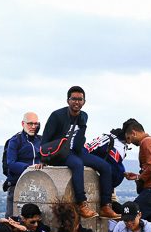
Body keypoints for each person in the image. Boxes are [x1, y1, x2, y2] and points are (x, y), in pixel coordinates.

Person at [42, 86, 119, 220]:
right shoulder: (57, 116)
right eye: (73, 99)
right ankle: (81, 204)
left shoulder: (84, 116)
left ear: (84, 101)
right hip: (59, 153)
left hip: (77, 150)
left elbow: (80, 138)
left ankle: (105, 206)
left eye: (80, 99)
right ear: (68, 101)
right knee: (77, 165)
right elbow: (45, 139)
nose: (76, 102)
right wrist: (42, 159)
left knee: (105, 167)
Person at [122, 118, 151, 232]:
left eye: (129, 138)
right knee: (150, 231)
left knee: (128, 219)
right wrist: (138, 175)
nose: (130, 142)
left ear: (134, 132)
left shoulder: (146, 142)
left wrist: (139, 177)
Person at [4, 112, 42, 218]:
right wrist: (28, 168)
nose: (33, 127)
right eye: (30, 124)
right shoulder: (15, 141)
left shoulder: (40, 140)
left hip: (38, 185)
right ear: (23, 124)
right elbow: (11, 163)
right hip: (17, 184)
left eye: (36, 124)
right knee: (12, 218)